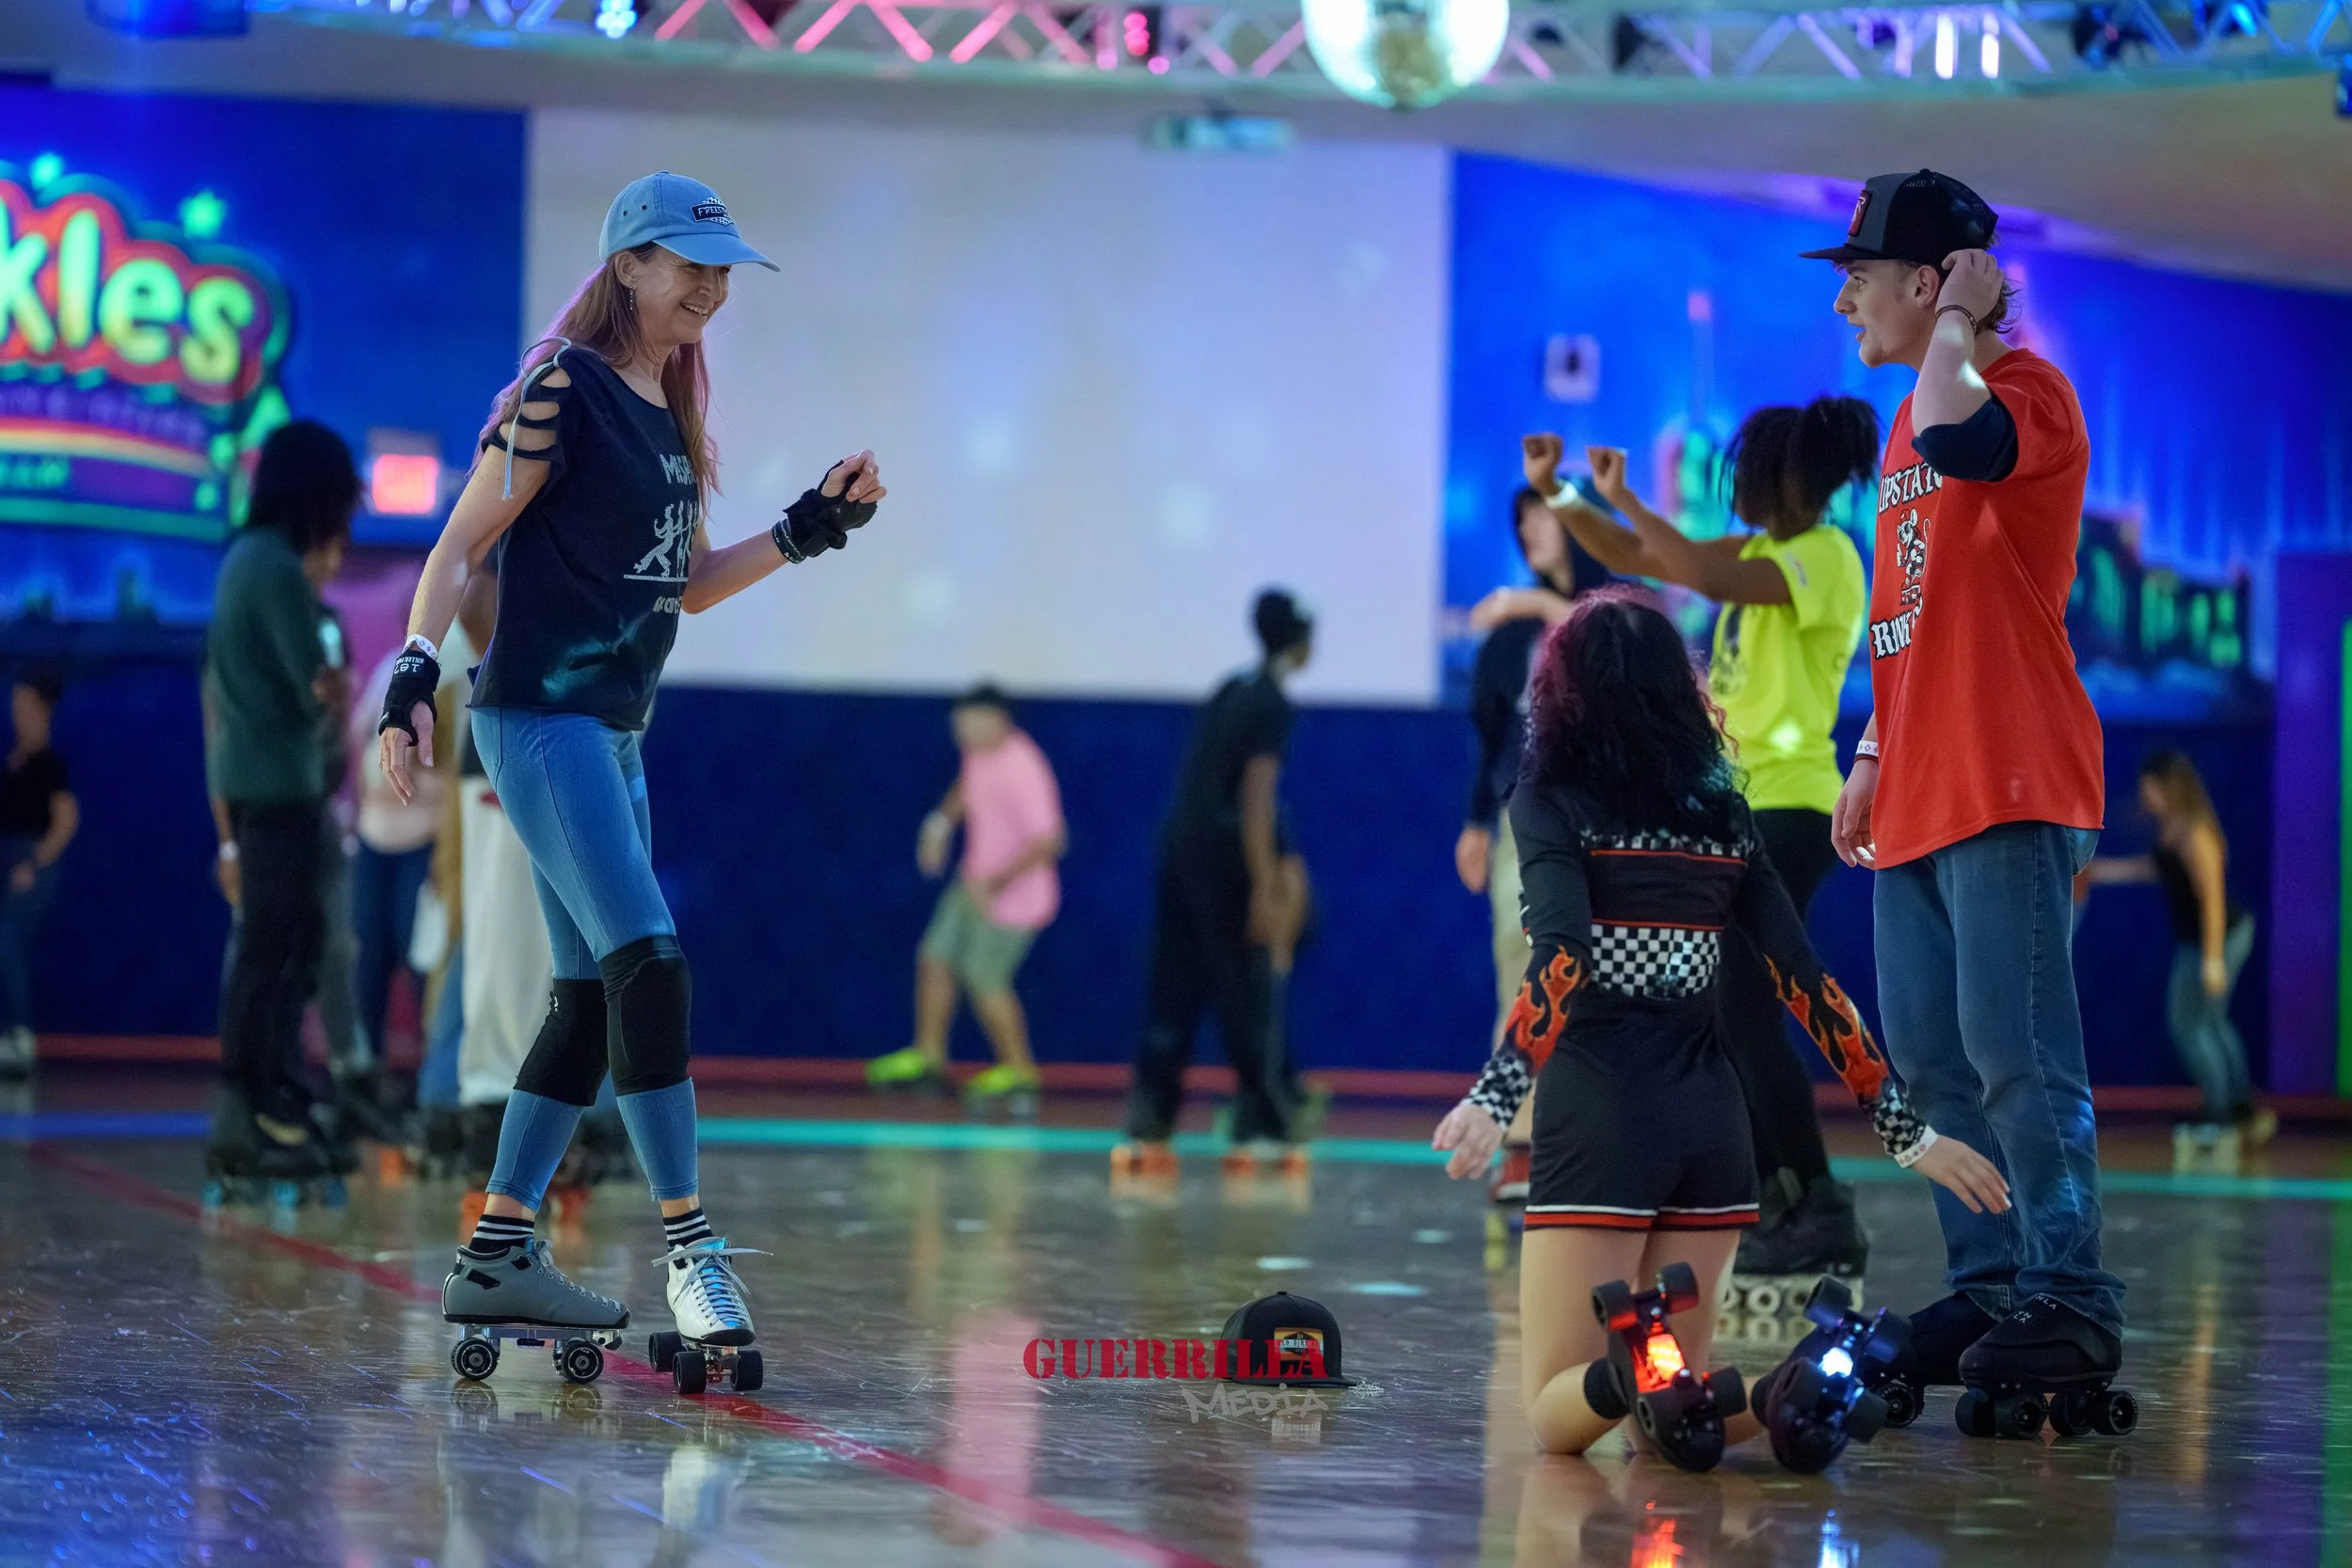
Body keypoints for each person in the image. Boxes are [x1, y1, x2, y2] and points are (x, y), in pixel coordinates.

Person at [377, 171, 886, 1357]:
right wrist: (411, 674)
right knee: (649, 967)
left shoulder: (666, 407)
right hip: (541, 721)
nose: (710, 282)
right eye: (686, 260)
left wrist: (808, 525)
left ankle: (498, 1252)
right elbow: (459, 546)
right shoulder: (564, 388)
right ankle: (692, 1250)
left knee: (587, 996)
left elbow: (690, 586)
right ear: (626, 268)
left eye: (722, 267)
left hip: (614, 730)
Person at [1429, 592, 2006, 1457]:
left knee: (1554, 1413)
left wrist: (1492, 1094)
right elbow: (1806, 982)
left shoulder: (1549, 801)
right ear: (1676, 689)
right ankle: (1793, 1386)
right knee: (1678, 1418)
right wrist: (1910, 1135)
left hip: (1602, 1127)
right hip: (1712, 1132)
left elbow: (1561, 957)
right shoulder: (1721, 815)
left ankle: (1621, 1369)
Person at [1812, 169, 2124, 1399]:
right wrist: (1874, 751)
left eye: (1860, 274)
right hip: (1921, 781)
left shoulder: (2024, 393)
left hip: (2011, 772)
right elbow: (1910, 605)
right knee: (1933, 1066)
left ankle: (2070, 1290)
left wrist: (1959, 325)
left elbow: (1959, 429)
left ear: (1932, 279)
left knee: (2018, 1053)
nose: (1844, 301)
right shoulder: (1901, 425)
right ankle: (1993, 1279)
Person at [1520, 398, 1880, 1292]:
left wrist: (1630, 503)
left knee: (1748, 1005)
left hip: (1792, 805)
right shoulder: (1765, 553)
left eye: (1756, 478)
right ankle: (1786, 1198)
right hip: (1739, 805)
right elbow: (1649, 562)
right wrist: (1572, 495)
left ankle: (1816, 1205)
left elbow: (1687, 568)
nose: (1744, 494)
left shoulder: (1829, 556)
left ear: (1797, 480)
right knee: (1731, 1008)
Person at [1116, 590, 1315, 1177]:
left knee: (1173, 985)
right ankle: (1259, 1122)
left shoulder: (1231, 689)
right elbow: (1256, 799)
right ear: (1301, 642)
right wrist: (1264, 883)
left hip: (1178, 851)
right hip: (1224, 860)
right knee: (1244, 990)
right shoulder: (1272, 704)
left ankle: (1150, 1119)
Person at [203, 419, 358, 1180]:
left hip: (251, 791)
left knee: (264, 956)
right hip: (284, 792)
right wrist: (333, 691)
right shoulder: (279, 573)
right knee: (277, 960)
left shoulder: (241, 561)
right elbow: (316, 687)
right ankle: (256, 1112)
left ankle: (255, 1110)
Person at [1457, 488, 1613, 1203]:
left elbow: (1609, 638)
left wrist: (1529, 604)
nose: (1529, 530)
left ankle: (1592, 1140)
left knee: (1600, 974)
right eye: (1519, 520)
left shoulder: (1613, 612)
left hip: (1605, 818)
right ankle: (1518, 1144)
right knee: (1518, 964)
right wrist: (1475, 821)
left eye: (1541, 515)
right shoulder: (1508, 641)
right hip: (1524, 817)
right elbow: (1489, 737)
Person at [867, 685, 1067, 1110]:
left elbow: (1050, 840)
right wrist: (939, 824)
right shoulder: (980, 753)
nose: (961, 731)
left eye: (970, 722)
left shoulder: (1023, 767)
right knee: (935, 957)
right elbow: (968, 786)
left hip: (1014, 898)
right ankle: (929, 1058)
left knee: (985, 978)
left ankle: (1019, 1071)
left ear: (998, 721)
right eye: (958, 723)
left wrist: (995, 884)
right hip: (971, 881)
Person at [2079, 752, 2271, 1151]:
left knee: (2192, 1024)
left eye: (2148, 786)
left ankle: (2222, 1113)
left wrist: (2214, 958)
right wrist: (2097, 871)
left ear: (2166, 785)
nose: (2144, 795)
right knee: (2211, 1024)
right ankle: (2239, 1109)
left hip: (2219, 937)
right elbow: (2153, 868)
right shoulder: (2173, 829)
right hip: (2198, 941)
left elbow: (2213, 897)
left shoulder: (2196, 831)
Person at [0, 674, 77, 1077]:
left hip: (31, 861)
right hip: (9, 858)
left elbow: (66, 819)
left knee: (7, 942)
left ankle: (19, 1034)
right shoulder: (15, 762)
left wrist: (35, 862)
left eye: (26, 706)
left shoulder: (48, 765)